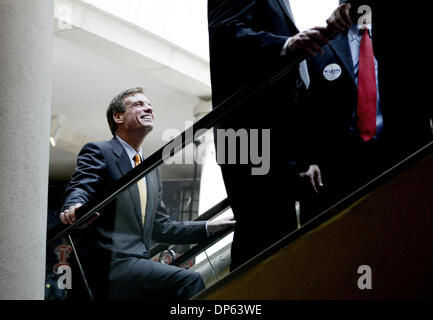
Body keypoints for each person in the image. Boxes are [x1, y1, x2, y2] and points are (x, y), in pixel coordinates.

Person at [207, 0, 353, 270]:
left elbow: (290, 88)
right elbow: (224, 32)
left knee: (277, 235)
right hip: (244, 135)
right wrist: (285, 44)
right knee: (260, 238)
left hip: (271, 137)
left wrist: (302, 156)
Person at [59, 87, 235, 300]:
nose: (148, 108)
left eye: (149, 105)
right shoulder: (100, 151)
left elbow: (161, 227)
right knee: (189, 281)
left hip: (135, 265)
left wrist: (209, 226)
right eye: (138, 104)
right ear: (118, 117)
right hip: (106, 264)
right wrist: (74, 208)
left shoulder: (150, 172)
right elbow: (81, 186)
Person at [299, 0, 433, 223]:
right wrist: (309, 159)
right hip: (350, 162)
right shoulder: (325, 48)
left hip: (403, 149)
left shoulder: (402, 33)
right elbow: (311, 110)